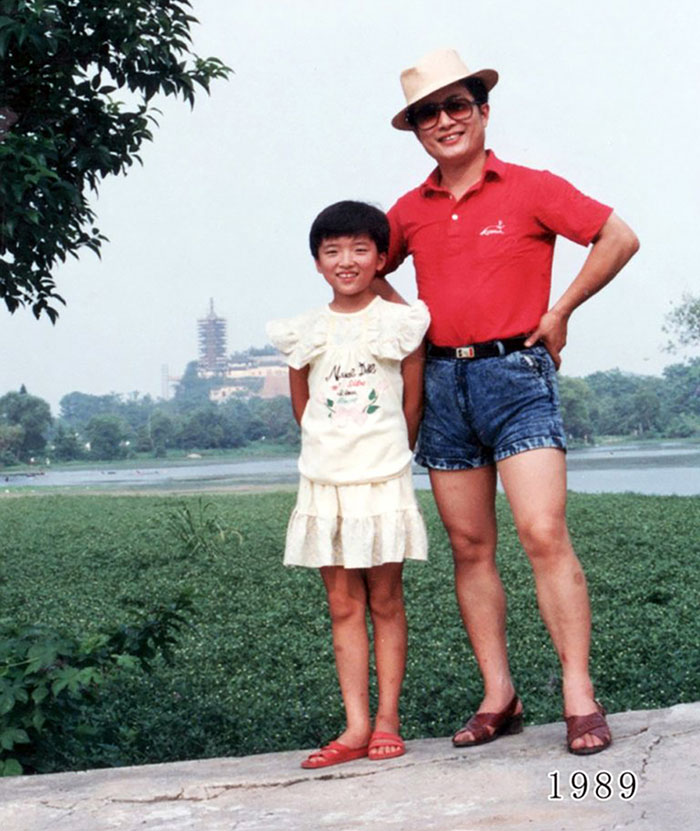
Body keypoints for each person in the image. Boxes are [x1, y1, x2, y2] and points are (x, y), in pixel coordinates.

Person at [373, 48, 639, 755]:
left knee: (543, 532)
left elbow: (619, 236)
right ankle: (501, 694)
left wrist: (561, 311)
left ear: (483, 111)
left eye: (457, 105)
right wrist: (410, 319)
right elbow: (361, 266)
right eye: (428, 113)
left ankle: (579, 694)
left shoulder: (530, 188)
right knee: (469, 546)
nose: (445, 120)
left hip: (516, 377)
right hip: (442, 385)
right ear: (417, 132)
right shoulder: (408, 211)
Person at [267, 200, 430, 768]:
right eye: (332, 251)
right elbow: (302, 407)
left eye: (361, 249)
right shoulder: (304, 332)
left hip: (382, 478)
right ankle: (356, 725)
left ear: (381, 258)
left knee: (385, 599)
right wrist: (335, 452)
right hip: (326, 481)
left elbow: (412, 402)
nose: (346, 261)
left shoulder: (401, 323)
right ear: (316, 262)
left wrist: (384, 453)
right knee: (342, 605)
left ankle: (388, 720)